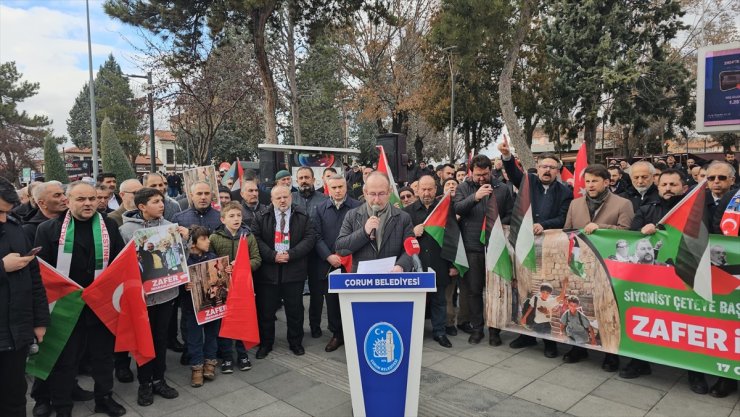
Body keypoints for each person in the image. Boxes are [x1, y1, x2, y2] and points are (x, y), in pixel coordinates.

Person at [34, 181, 127, 417]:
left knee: (103, 356)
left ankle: (104, 399)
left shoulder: (108, 225)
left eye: (92, 199)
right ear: (68, 201)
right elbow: (42, 273)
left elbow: (119, 263)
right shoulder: (48, 229)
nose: (88, 203)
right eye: (81, 199)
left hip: (100, 304)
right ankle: (62, 405)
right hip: (66, 306)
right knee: (65, 358)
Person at [499, 145, 573, 357]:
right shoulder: (528, 182)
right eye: (543, 167)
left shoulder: (565, 192)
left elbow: (563, 216)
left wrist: (545, 225)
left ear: (558, 171)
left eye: (551, 167)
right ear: (537, 169)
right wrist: (506, 156)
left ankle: (549, 342)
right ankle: (526, 335)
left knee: (546, 291)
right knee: (525, 289)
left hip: (550, 249)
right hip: (524, 246)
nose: (547, 171)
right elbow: (513, 173)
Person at [563, 164, 634, 370]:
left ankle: (610, 354)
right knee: (581, 306)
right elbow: (567, 231)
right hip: (581, 265)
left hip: (608, 267)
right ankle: (578, 346)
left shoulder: (623, 204)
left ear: (607, 182)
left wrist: (601, 228)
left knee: (607, 309)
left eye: (595, 181)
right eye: (587, 181)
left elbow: (627, 233)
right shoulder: (575, 204)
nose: (590, 185)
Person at [119, 188, 184, 407]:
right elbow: (120, 263)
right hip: (141, 299)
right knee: (142, 341)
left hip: (166, 294)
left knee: (160, 339)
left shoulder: (169, 227)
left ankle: (159, 379)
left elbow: (178, 257)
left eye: (162, 201)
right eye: (155, 202)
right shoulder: (126, 231)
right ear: (142, 207)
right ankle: (144, 383)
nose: (161, 205)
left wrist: (184, 238)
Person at [0, 176, 49, 417]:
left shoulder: (15, 227)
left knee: (15, 397)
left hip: (16, 333)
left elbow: (34, 279)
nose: (3, 218)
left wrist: (39, 321)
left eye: (6, 212)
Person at [454, 154, 514, 345]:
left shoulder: (503, 188)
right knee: (474, 290)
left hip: (496, 247)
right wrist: (475, 197)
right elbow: (457, 208)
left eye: (485, 174)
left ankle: (495, 331)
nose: (482, 178)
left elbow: (511, 214)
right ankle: (477, 329)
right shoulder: (463, 188)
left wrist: (496, 226)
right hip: (472, 247)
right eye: (478, 175)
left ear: (490, 170)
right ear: (472, 171)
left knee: (496, 291)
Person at [252, 186, 317, 359]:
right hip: (268, 271)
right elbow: (255, 239)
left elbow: (310, 237)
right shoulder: (261, 216)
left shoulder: (302, 215)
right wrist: (273, 256)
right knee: (266, 311)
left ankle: (295, 342)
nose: (282, 200)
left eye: (285, 197)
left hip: (293, 270)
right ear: (271, 200)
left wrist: (291, 254)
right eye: (278, 197)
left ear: (291, 197)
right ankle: (266, 344)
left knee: (295, 310)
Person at [208, 201, 261, 373]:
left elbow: (256, 259)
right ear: (223, 219)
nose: (236, 219)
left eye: (239, 215)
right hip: (223, 287)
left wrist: (241, 265)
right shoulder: (214, 238)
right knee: (225, 321)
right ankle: (227, 356)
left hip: (242, 287)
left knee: (242, 319)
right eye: (231, 216)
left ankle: (243, 354)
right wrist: (223, 269)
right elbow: (210, 262)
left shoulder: (248, 237)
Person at [312, 174, 362, 352]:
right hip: (329, 264)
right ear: (328, 188)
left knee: (353, 300)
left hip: (352, 262)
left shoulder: (358, 206)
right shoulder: (320, 209)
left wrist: (348, 253)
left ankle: (355, 332)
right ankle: (337, 334)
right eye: (334, 187)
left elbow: (363, 233)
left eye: (341, 186)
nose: (338, 190)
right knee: (332, 302)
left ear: (346, 187)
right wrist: (328, 256)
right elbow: (316, 236)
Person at [404, 175, 455, 348]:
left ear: (436, 189)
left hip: (439, 262)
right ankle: (414, 333)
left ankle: (439, 332)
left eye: (430, 189)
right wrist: (412, 232)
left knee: (439, 301)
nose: (426, 193)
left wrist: (453, 264)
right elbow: (400, 240)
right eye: (423, 189)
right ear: (417, 190)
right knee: (415, 301)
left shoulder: (444, 209)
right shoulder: (407, 212)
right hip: (415, 265)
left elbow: (452, 238)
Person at [336, 171, 414, 273]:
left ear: (389, 192)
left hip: (392, 280)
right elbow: (341, 248)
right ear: (365, 192)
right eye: (372, 194)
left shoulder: (403, 217)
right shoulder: (352, 215)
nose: (377, 200)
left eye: (381, 194)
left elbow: (410, 250)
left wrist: (401, 266)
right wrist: (364, 232)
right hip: (361, 282)